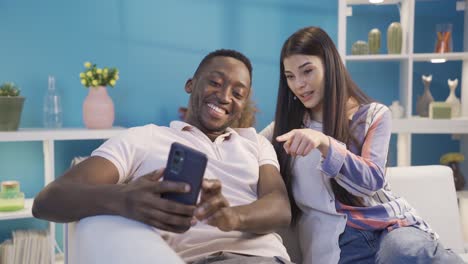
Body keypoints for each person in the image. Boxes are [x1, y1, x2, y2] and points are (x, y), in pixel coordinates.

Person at [32, 49, 292, 264]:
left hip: (266, 258)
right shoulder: (144, 138)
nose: (224, 97)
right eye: (215, 82)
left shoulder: (255, 143)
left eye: (238, 93)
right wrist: (123, 199)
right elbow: (47, 200)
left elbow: (280, 206)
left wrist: (232, 217)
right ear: (191, 84)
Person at [261, 27, 464, 264]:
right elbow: (248, 148)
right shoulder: (285, 128)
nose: (299, 84)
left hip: (390, 229)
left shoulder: (373, 115)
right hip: (339, 248)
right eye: (290, 76)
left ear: (330, 66)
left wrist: (325, 144)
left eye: (307, 71)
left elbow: (371, 180)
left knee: (404, 250)